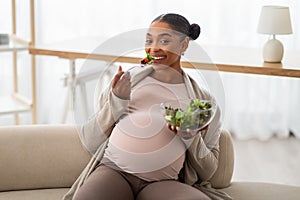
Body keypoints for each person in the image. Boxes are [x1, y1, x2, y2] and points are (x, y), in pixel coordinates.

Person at [63, 13, 231, 200]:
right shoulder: (126, 83)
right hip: (114, 172)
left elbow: (208, 171)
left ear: (184, 45)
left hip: (164, 184)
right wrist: (117, 100)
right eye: (149, 41)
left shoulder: (205, 103)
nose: (153, 49)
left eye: (164, 41)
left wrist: (190, 136)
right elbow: (90, 138)